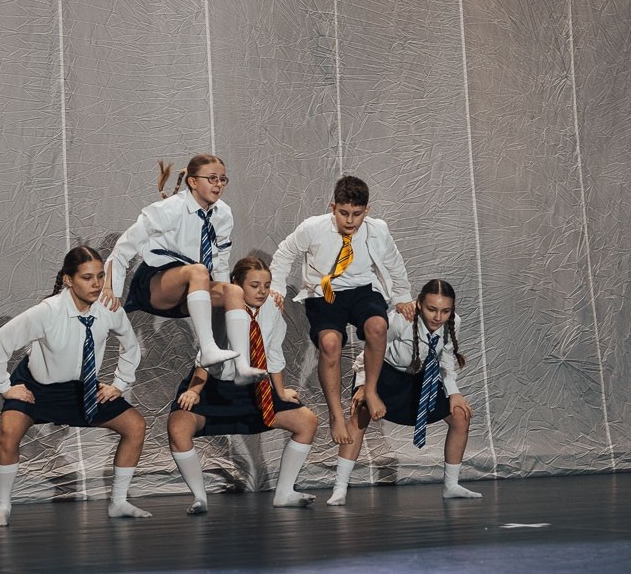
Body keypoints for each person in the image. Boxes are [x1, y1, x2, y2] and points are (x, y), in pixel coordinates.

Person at [0, 246, 152, 526]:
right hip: (37, 387)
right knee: (8, 433)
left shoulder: (108, 308)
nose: (96, 284)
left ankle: (119, 502)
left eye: (100, 276)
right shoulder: (47, 312)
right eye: (87, 277)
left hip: (80, 389)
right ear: (68, 279)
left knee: (135, 426)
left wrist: (119, 384)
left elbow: (131, 346)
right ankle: (3, 507)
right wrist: (5, 387)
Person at [270, 175, 415, 445]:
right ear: (333, 207)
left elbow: (394, 262)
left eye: (357, 214)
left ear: (366, 211)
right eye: (343, 213)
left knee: (378, 327)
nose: (350, 220)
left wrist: (403, 296)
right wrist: (277, 287)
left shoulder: (378, 229)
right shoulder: (313, 228)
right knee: (330, 344)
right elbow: (285, 252)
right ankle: (336, 415)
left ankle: (370, 389)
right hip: (325, 292)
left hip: (363, 290)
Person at [167, 257, 319, 513]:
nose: (262, 292)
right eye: (254, 285)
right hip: (215, 384)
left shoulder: (272, 307)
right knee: (178, 426)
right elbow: (207, 356)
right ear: (236, 284)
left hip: (252, 385)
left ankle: (285, 493)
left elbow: (273, 353)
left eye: (266, 285)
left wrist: (281, 391)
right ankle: (200, 498)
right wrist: (194, 390)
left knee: (307, 421)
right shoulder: (220, 309)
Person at [100, 154, 265, 384]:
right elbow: (124, 246)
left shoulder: (224, 213)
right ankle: (208, 349)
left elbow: (220, 261)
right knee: (198, 270)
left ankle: (240, 366)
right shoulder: (170, 209)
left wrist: (223, 296)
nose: (218, 184)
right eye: (212, 178)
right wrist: (111, 287)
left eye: (222, 179)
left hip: (194, 287)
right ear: (193, 182)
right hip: (156, 283)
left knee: (234, 291)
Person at [328, 279, 481, 505]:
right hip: (384, 372)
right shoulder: (400, 320)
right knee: (360, 412)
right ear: (419, 304)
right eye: (432, 309)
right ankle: (339, 488)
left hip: (420, 377)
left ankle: (451, 485)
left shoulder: (453, 322)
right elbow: (370, 350)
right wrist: (364, 386)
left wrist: (454, 392)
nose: (438, 317)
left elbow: (446, 356)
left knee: (461, 415)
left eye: (445, 311)